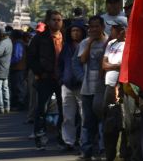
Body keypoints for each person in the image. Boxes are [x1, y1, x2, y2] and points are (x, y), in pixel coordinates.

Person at [27, 10, 64, 150]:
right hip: (45, 78)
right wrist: (39, 72)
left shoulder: (65, 37)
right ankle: (40, 136)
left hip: (62, 79)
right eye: (54, 19)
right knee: (42, 109)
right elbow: (30, 57)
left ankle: (62, 137)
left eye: (59, 19)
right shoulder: (39, 38)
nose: (56, 22)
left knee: (63, 110)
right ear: (48, 22)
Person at [77, 15, 108, 161]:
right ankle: (87, 151)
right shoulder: (84, 42)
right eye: (91, 27)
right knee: (88, 122)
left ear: (102, 27)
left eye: (97, 26)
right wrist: (90, 43)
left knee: (103, 122)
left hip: (104, 88)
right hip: (87, 88)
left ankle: (103, 150)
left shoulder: (109, 42)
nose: (94, 29)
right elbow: (82, 60)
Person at [59, 22, 86, 152]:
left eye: (78, 30)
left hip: (82, 85)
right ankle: (68, 141)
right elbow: (60, 63)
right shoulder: (66, 47)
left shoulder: (86, 45)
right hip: (67, 85)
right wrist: (61, 79)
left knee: (84, 115)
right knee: (67, 116)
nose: (75, 33)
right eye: (73, 31)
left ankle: (83, 141)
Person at [102, 19, 126, 161]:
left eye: (114, 28)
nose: (111, 31)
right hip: (109, 88)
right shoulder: (111, 43)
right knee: (109, 123)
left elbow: (124, 66)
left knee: (122, 123)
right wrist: (115, 65)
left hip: (120, 88)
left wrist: (114, 66)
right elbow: (104, 64)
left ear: (122, 29)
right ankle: (110, 155)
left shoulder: (128, 45)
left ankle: (121, 154)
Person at [9, 29, 27, 110]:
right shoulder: (18, 42)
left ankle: (20, 104)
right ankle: (16, 104)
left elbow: (17, 57)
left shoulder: (18, 43)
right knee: (16, 86)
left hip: (18, 68)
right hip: (18, 68)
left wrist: (8, 62)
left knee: (18, 87)